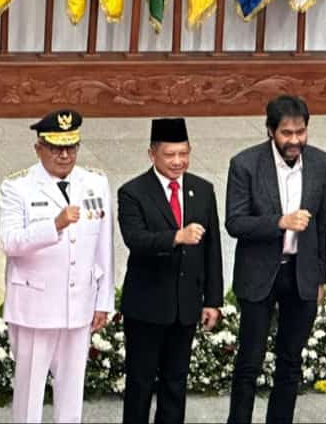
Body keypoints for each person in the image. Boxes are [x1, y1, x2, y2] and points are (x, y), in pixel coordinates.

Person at [0, 109, 114, 424]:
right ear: (39, 148)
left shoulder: (95, 182)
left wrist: (103, 300)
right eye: (56, 148)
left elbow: (103, 246)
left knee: (72, 391)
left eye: (71, 147)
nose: (65, 155)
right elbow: (11, 242)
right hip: (35, 307)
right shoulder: (17, 186)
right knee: (29, 394)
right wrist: (54, 225)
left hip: (78, 304)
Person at [225, 94, 326, 424]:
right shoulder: (245, 164)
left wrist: (320, 276)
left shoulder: (322, 163)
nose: (295, 140)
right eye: (287, 133)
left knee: (290, 361)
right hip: (259, 275)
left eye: (301, 132)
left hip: (301, 274)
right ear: (270, 130)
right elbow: (235, 222)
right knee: (250, 361)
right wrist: (280, 222)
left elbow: (323, 225)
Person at [118, 117, 224, 423]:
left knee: (175, 384)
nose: (178, 161)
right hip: (147, 307)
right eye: (170, 155)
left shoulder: (202, 189)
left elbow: (212, 248)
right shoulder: (133, 192)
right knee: (140, 383)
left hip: (185, 307)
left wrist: (212, 300)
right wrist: (176, 237)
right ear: (152, 154)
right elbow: (135, 240)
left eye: (184, 153)